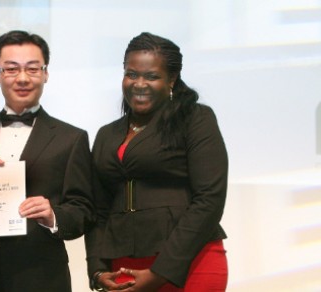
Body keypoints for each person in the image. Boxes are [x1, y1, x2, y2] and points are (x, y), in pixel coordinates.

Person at [0, 30, 95, 292]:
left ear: (46, 73)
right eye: (12, 69)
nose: (23, 78)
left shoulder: (71, 139)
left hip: (42, 276)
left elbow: (83, 209)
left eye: (33, 69)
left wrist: (52, 215)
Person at [85, 32, 229, 292]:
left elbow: (210, 200)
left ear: (171, 79)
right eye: (131, 74)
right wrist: (97, 269)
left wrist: (161, 272)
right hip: (123, 269)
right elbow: (98, 209)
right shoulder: (107, 134)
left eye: (151, 76)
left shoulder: (196, 119)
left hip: (189, 264)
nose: (139, 84)